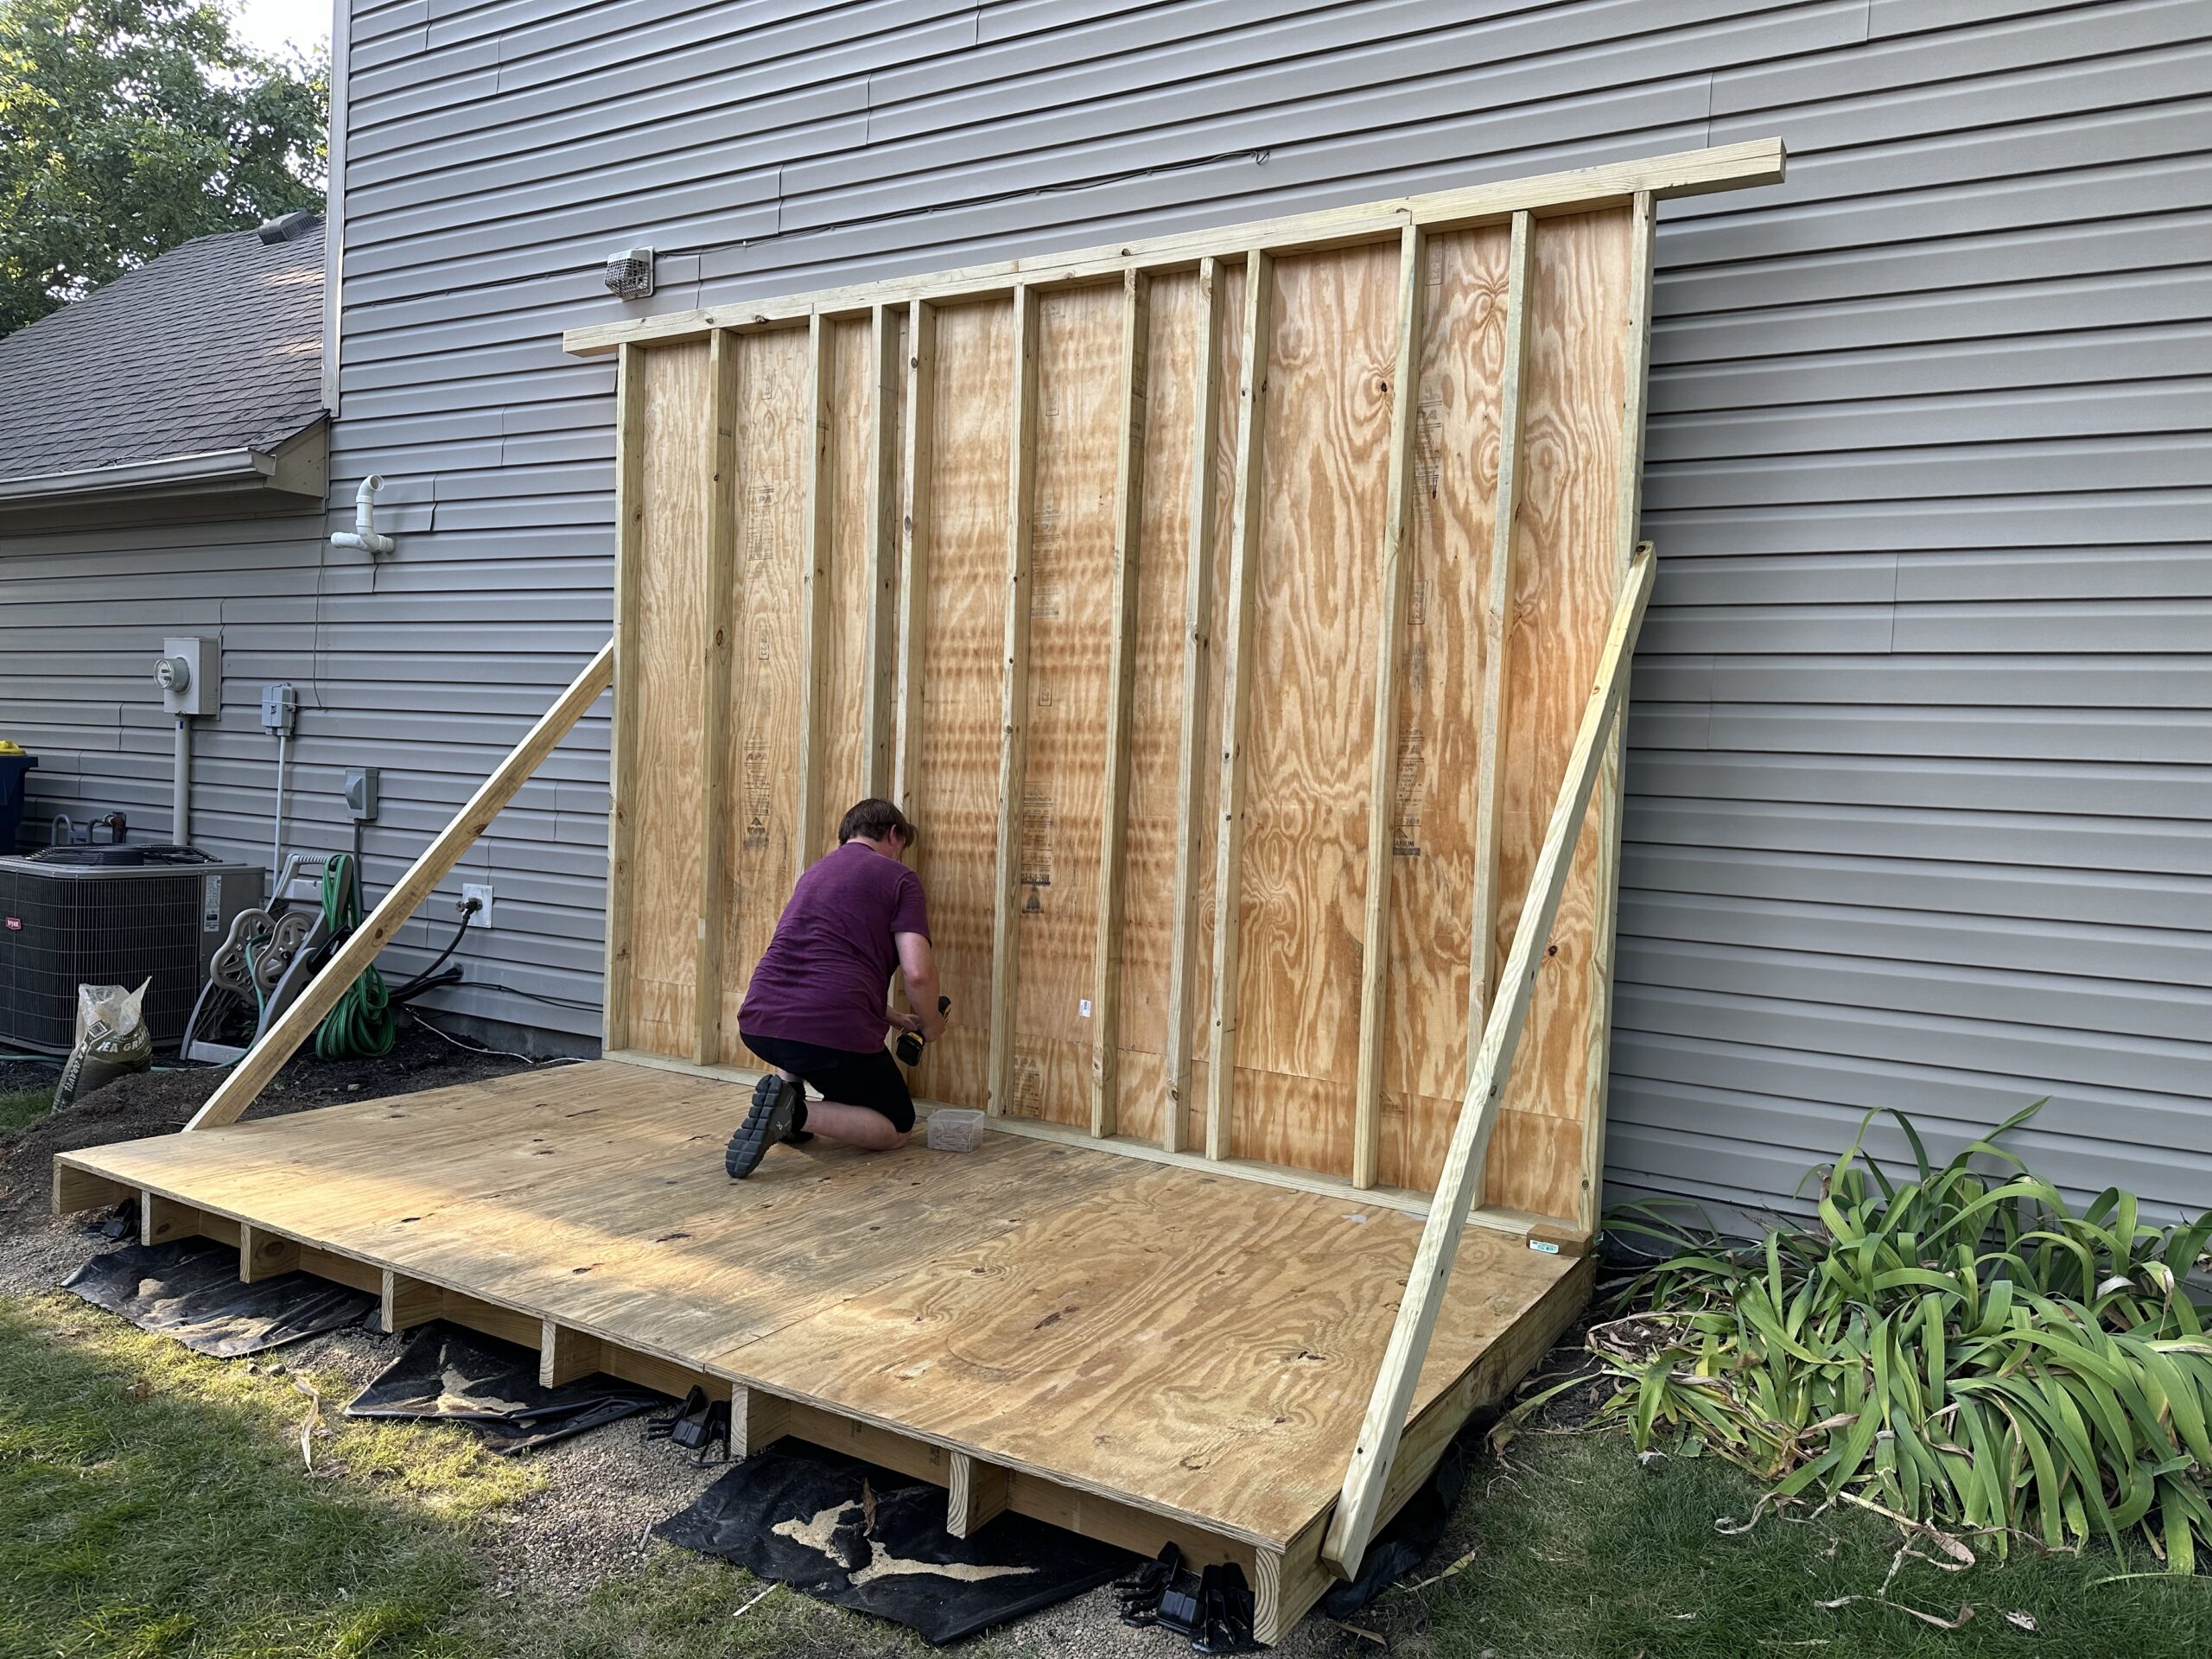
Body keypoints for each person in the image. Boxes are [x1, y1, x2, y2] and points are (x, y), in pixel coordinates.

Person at [724, 797, 947, 1179]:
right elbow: (918, 974)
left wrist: (891, 1016)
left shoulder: (815, 873)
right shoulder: (899, 878)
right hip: (828, 1032)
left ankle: (789, 1102)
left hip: (760, 1023)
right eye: (901, 848)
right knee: (897, 1125)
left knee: (803, 1028)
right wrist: (932, 1025)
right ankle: (793, 1112)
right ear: (893, 834)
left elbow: (820, 962)